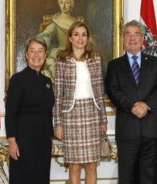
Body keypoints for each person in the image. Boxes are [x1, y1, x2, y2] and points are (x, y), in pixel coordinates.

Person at [105, 20, 157, 184]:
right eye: (128, 34)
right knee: (127, 177)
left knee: (149, 177)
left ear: (142, 39)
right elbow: (112, 90)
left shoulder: (155, 63)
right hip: (127, 129)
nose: (132, 38)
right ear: (123, 38)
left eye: (136, 34)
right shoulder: (114, 65)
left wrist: (145, 104)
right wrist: (131, 106)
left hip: (150, 129)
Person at [53, 22, 107, 184]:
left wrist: (103, 119)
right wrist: (58, 123)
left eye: (84, 34)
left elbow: (99, 90)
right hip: (70, 116)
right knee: (74, 165)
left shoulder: (95, 59)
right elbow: (58, 94)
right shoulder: (62, 60)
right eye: (76, 34)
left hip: (92, 114)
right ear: (70, 38)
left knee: (91, 165)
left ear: (88, 38)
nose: (80, 38)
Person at [5, 36, 54, 184]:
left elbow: (48, 113)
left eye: (40, 51)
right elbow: (11, 112)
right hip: (23, 142)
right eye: (32, 51)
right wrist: (12, 141)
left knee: (41, 178)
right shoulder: (17, 80)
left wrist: (50, 139)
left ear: (45, 55)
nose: (36, 55)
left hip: (43, 141)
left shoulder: (47, 82)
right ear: (26, 54)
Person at [37, 0, 83, 81]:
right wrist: (41, 46)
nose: (64, 6)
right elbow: (47, 35)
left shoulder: (77, 21)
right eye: (61, 3)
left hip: (74, 54)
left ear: (72, 4)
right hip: (58, 53)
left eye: (67, 3)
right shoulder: (55, 20)